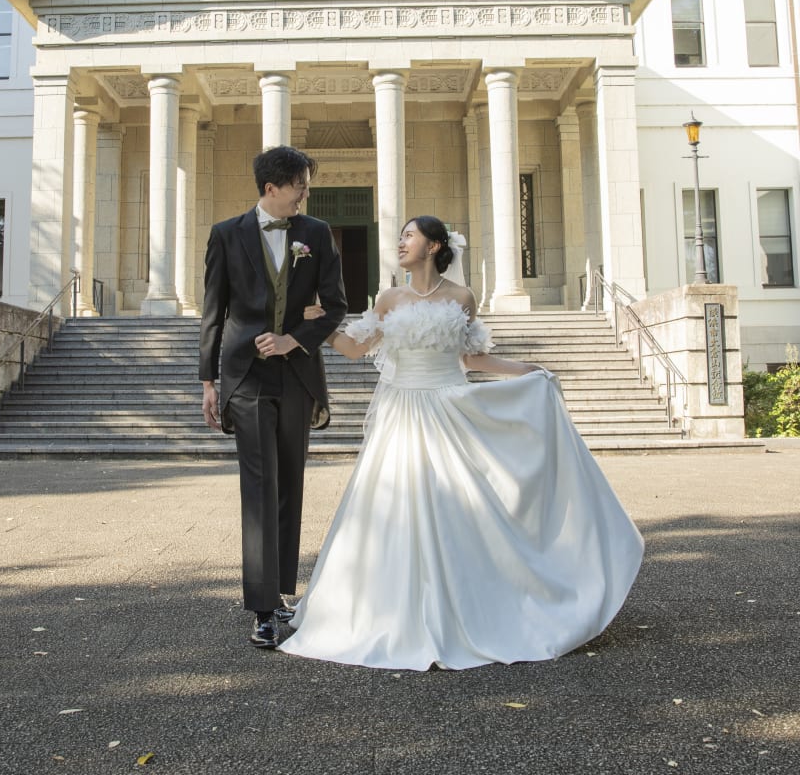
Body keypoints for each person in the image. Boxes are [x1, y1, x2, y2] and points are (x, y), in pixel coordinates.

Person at [279, 215, 644, 670]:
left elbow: (472, 357)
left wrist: (525, 369)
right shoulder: (389, 297)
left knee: (459, 505)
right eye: (401, 236)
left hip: (449, 405)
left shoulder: (462, 297)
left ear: (434, 246)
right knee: (394, 505)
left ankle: (476, 604)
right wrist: (318, 326)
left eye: (409, 235)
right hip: (402, 410)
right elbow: (356, 348)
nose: (400, 241)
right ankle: (387, 610)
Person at [199, 145, 348, 650]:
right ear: (272, 188)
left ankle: (282, 591)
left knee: (290, 486)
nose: (306, 194)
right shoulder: (225, 235)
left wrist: (294, 340)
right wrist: (207, 381)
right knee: (259, 488)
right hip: (245, 378)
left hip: (298, 375)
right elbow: (213, 313)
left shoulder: (316, 234)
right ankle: (262, 608)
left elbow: (336, 307)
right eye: (300, 186)